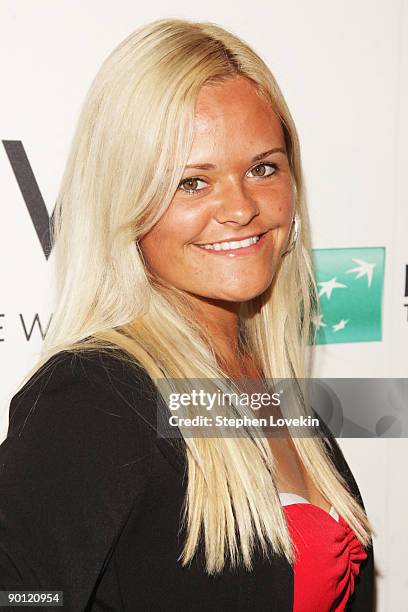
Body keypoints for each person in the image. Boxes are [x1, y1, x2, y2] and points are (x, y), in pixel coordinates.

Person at [0, 17, 375, 611]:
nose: (241, 208)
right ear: (128, 199)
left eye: (262, 168)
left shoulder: (265, 385)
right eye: (192, 182)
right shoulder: (100, 393)